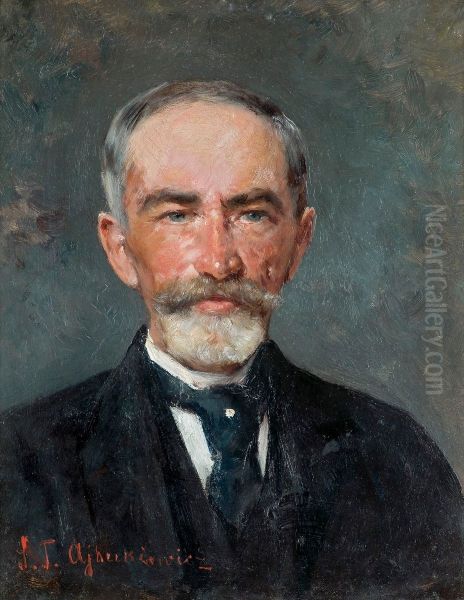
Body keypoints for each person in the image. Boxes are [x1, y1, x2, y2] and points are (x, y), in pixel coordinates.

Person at [1, 80, 462, 600]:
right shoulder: (20, 461)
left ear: (298, 243)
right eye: (178, 215)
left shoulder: (396, 456)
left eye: (252, 215)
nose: (219, 262)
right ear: (120, 248)